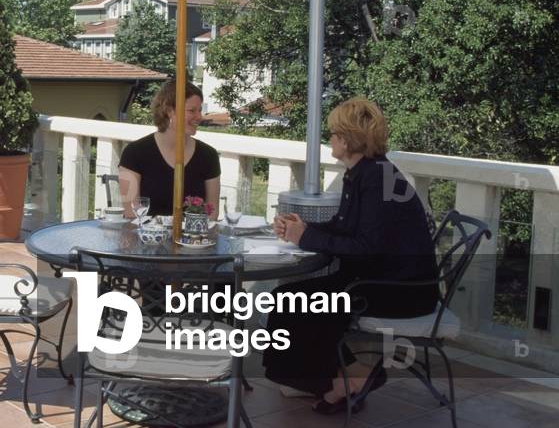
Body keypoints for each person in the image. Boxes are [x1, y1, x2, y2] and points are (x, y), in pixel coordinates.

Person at [263, 97, 439, 415]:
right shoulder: (367, 173)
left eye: (332, 133)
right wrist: (304, 228)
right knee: (288, 297)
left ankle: (342, 381)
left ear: (346, 139)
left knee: (295, 301)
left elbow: (365, 247)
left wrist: (307, 237)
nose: (330, 139)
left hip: (399, 290)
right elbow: (347, 227)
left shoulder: (376, 180)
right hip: (380, 279)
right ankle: (340, 379)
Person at [118, 80, 220, 217]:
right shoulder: (133, 153)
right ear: (169, 111)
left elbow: (212, 212)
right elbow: (131, 212)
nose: (199, 117)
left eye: (200, 110)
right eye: (192, 111)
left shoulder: (208, 155)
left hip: (193, 237)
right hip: (147, 237)